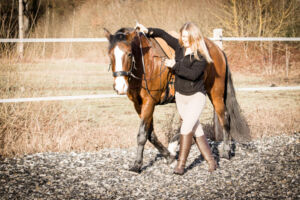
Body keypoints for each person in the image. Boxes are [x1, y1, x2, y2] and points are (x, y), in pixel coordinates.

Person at [136, 22, 217, 175]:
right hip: (181, 97)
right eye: (182, 36)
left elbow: (193, 75)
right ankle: (211, 161)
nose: (183, 39)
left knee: (186, 128)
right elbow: (164, 35)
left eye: (186, 37)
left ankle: (180, 165)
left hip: (196, 97)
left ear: (194, 37)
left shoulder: (201, 55)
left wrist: (174, 65)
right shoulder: (180, 47)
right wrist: (148, 30)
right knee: (196, 128)